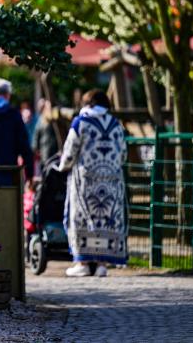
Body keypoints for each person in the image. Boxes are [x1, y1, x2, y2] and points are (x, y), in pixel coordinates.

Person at [58, 89, 127, 277]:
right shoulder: (116, 124)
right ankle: (102, 264)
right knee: (106, 220)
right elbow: (123, 154)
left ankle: (83, 263)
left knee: (83, 219)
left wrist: (63, 166)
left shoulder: (81, 122)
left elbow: (70, 150)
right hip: (112, 181)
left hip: (85, 182)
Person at [32, 99, 58, 174]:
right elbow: (36, 138)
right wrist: (36, 150)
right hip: (46, 155)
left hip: (55, 153)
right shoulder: (41, 121)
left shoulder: (54, 119)